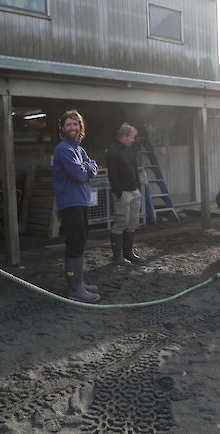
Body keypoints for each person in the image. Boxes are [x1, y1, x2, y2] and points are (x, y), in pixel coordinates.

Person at [53, 110, 100, 303]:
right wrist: (88, 168)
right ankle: (75, 289)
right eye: (68, 125)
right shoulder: (64, 149)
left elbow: (92, 167)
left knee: (80, 241)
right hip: (70, 202)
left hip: (81, 201)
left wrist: (87, 168)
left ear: (81, 127)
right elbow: (79, 174)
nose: (72, 127)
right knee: (75, 242)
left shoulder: (79, 150)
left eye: (75, 124)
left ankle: (78, 282)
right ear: (62, 128)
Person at [106, 123, 145, 265]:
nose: (134, 140)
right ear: (124, 137)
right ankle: (117, 256)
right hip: (123, 193)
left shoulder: (130, 150)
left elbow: (135, 169)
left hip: (134, 192)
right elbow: (112, 175)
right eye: (132, 137)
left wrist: (138, 189)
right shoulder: (113, 152)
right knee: (121, 222)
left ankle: (129, 253)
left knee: (133, 222)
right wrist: (119, 192)